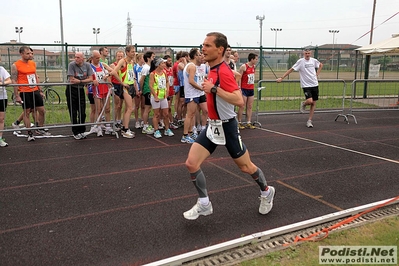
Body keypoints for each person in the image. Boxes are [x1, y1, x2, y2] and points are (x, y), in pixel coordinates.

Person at [183, 32, 275, 220]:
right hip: (212, 126)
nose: (203, 49)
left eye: (208, 46)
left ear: (220, 49)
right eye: (203, 45)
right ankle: (204, 204)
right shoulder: (213, 68)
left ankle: (267, 192)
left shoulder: (223, 71)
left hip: (227, 127)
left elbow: (239, 100)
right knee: (191, 163)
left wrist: (214, 89)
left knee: (246, 167)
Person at [276, 48, 323, 128]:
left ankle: (309, 120)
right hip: (306, 85)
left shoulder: (313, 60)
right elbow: (291, 69)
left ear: (310, 53)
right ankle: (304, 103)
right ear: (303, 54)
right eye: (306, 53)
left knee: (313, 103)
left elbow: (321, 65)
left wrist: (317, 73)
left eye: (308, 53)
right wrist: (282, 77)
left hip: (314, 84)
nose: (307, 55)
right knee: (309, 101)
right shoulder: (300, 62)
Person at [11, 46, 48, 142]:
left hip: (34, 90)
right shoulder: (16, 65)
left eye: (31, 53)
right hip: (24, 91)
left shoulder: (32, 63)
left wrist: (40, 90)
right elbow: (14, 80)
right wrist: (17, 95)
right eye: (27, 54)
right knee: (27, 112)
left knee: (42, 111)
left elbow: (35, 77)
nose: (30, 55)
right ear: (22, 54)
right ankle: (30, 133)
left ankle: (40, 127)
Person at [109, 45, 139, 138]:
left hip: (131, 86)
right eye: (132, 51)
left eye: (134, 51)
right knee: (130, 108)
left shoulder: (132, 62)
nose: (134, 53)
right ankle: (125, 129)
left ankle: (125, 127)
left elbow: (131, 73)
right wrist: (122, 83)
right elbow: (114, 72)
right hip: (126, 88)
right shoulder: (123, 61)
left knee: (128, 109)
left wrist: (134, 81)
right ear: (127, 52)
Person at [181, 48, 208, 144]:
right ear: (195, 56)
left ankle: (192, 132)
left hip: (198, 93)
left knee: (203, 111)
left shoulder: (197, 66)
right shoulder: (191, 66)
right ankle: (185, 135)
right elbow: (191, 81)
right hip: (192, 93)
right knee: (190, 115)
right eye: (199, 54)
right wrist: (201, 88)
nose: (201, 56)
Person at [66, 52, 94, 139]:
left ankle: (82, 130)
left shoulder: (87, 65)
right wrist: (84, 80)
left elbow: (91, 78)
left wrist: (80, 81)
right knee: (73, 112)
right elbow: (72, 79)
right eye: (75, 57)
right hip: (71, 90)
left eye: (78, 57)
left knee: (82, 111)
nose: (76, 59)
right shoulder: (72, 65)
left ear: (83, 58)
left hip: (80, 89)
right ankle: (75, 131)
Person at [149, 58, 174, 138]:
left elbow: (167, 81)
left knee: (166, 114)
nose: (164, 65)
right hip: (156, 96)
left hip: (163, 96)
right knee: (157, 114)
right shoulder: (153, 74)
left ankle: (167, 129)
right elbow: (151, 86)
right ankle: (156, 130)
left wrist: (167, 90)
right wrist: (155, 96)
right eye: (163, 63)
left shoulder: (164, 72)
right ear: (158, 65)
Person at [237, 53, 258, 129]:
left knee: (249, 106)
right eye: (256, 59)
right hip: (244, 89)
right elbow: (239, 77)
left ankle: (248, 122)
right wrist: (239, 88)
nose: (256, 60)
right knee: (242, 106)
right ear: (252, 59)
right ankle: (239, 122)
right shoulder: (243, 67)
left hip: (251, 89)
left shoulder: (254, 67)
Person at [0, 66, 12, 147]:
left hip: (2, 97)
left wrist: (2, 83)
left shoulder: (1, 69)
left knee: (1, 118)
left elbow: (9, 80)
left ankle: (0, 138)